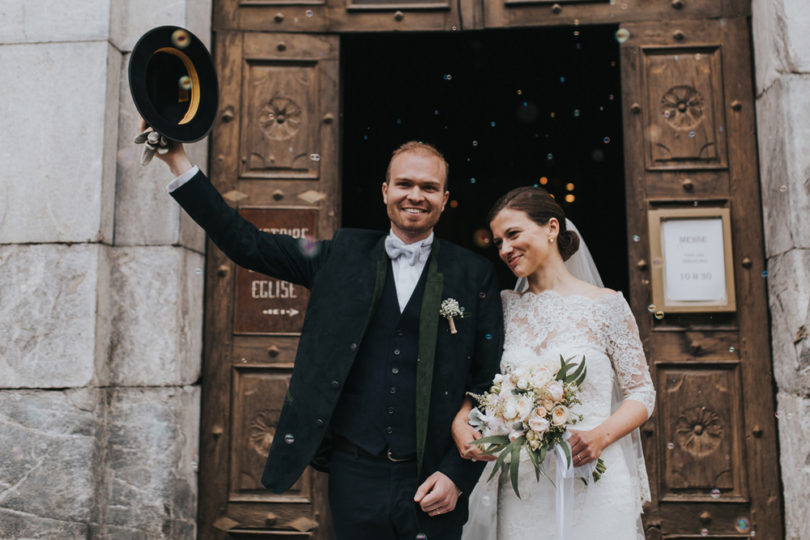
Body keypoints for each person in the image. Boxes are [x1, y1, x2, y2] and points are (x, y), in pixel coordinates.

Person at [141, 121, 504, 540]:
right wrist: (177, 160)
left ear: (444, 198)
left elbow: (488, 379)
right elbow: (247, 243)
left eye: (428, 186)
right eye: (404, 183)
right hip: (354, 474)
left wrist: (458, 475)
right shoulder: (342, 255)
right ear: (384, 191)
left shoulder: (474, 274)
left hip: (434, 476)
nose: (415, 195)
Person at [451, 186, 655, 540]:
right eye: (498, 241)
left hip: (594, 476)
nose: (505, 250)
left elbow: (642, 392)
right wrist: (462, 416)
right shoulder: (503, 308)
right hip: (523, 486)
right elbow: (480, 379)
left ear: (551, 228)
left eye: (513, 234)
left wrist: (598, 437)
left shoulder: (606, 305)